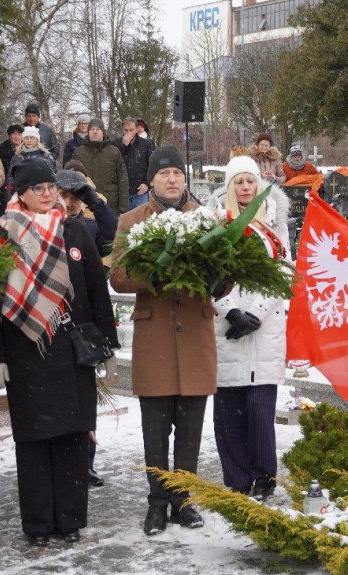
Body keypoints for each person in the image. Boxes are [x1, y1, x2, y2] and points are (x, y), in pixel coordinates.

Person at [0, 159, 118, 546]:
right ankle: (38, 523)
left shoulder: (73, 230)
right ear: (19, 193)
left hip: (71, 350)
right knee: (35, 441)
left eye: (51, 187)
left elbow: (95, 288)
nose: (46, 194)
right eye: (37, 188)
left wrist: (107, 345)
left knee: (73, 437)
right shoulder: (2, 234)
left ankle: (71, 518)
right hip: (26, 351)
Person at [110, 145, 218, 536]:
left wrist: (215, 279)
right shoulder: (131, 220)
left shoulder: (206, 218)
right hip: (154, 334)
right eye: (164, 174)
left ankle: (183, 500)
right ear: (151, 180)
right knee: (155, 428)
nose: (172, 180)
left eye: (177, 173)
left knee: (190, 427)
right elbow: (119, 278)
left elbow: (225, 274)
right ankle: (157, 503)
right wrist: (160, 272)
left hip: (195, 332)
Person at [206, 155, 291, 499]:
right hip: (225, 326)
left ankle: (263, 476)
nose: (244, 187)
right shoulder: (213, 220)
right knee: (228, 414)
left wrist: (253, 313)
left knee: (258, 411)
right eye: (238, 182)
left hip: (264, 327)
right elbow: (207, 273)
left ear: (258, 184)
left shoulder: (274, 219)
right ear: (229, 186)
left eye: (250, 181)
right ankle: (236, 478)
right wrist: (230, 311)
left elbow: (283, 269)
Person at [56, 168, 119, 488]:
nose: (67, 203)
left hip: (85, 323)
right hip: (54, 323)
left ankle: (87, 461)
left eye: (73, 197)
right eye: (62, 196)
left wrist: (92, 199)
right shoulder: (46, 227)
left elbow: (115, 230)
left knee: (86, 398)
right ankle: (63, 460)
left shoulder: (90, 225)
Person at [72, 118, 128, 216]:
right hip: (85, 205)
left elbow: (122, 179)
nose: (95, 132)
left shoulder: (114, 152)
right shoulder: (79, 152)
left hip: (110, 204)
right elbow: (72, 179)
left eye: (98, 129)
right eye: (92, 129)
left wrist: (123, 209)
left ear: (103, 132)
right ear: (88, 132)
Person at [112, 117, 156, 210]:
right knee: (125, 221)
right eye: (126, 130)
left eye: (131, 130)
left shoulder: (147, 144)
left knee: (141, 220)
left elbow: (152, 165)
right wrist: (123, 146)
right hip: (122, 191)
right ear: (122, 129)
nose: (129, 133)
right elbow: (113, 163)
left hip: (140, 191)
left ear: (136, 129)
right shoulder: (115, 144)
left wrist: (147, 184)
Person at [6, 126, 57, 197]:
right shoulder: (17, 157)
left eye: (32, 138)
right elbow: (11, 179)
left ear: (37, 140)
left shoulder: (47, 156)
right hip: (22, 194)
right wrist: (10, 196)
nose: (29, 140)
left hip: (42, 193)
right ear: (23, 140)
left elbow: (54, 176)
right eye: (26, 138)